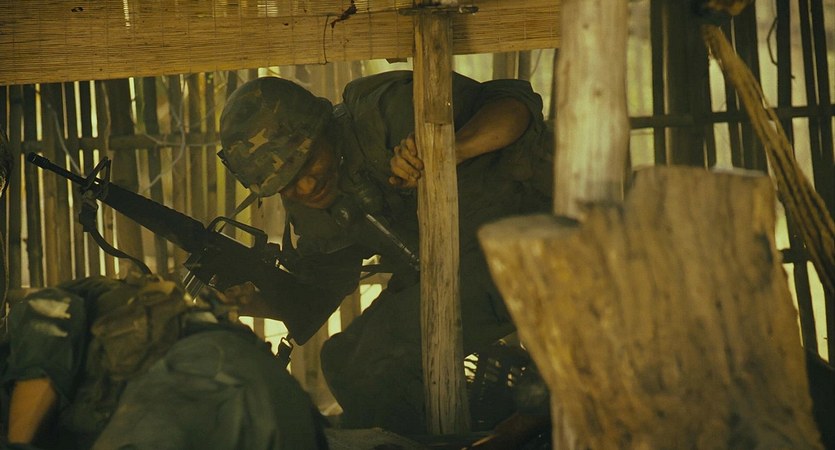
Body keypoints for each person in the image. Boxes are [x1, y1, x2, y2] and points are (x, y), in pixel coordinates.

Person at [218, 70, 553, 434]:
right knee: (341, 362)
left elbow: (515, 106)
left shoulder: (382, 113)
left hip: (530, 248)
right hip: (448, 271)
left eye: (308, 161)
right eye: (287, 184)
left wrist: (448, 150)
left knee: (377, 363)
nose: (308, 185)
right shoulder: (312, 205)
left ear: (324, 129)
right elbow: (321, 288)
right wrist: (260, 302)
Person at [0, 273, 327, 450]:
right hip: (274, 396)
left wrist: (18, 442)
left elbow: (48, 321)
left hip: (196, 380)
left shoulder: (21, 335)